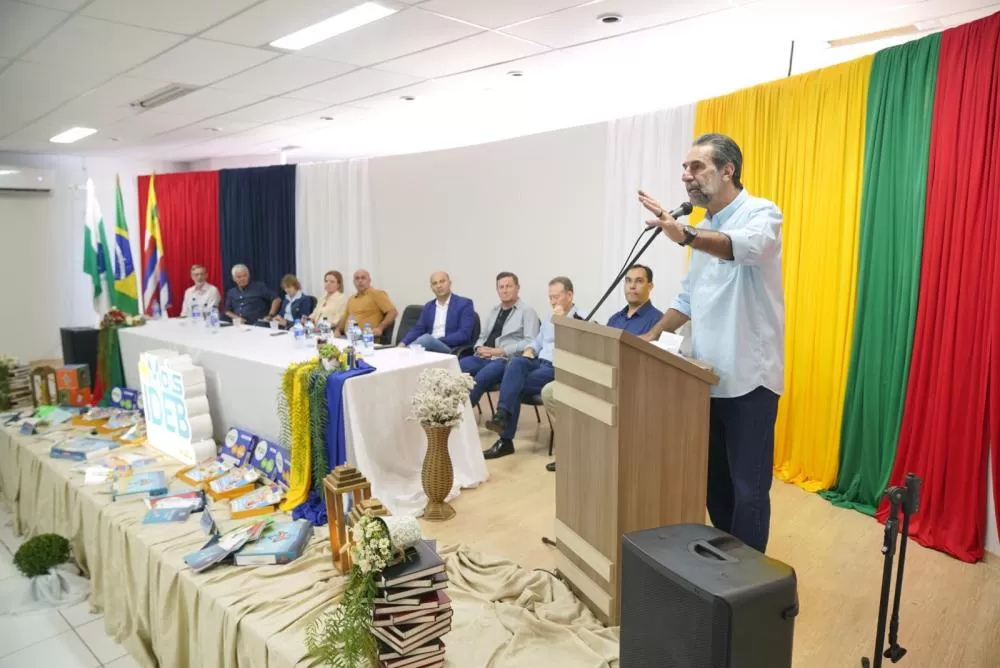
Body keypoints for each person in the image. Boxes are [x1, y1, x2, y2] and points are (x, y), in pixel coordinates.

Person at [638, 133, 784, 554]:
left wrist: (683, 233)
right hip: (703, 379)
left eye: (696, 167)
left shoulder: (762, 213)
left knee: (748, 492)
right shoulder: (702, 229)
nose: (686, 176)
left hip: (749, 382)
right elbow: (687, 299)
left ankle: (748, 583)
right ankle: (725, 566)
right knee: (715, 488)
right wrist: (645, 338)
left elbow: (745, 248)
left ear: (727, 170)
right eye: (684, 169)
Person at [542, 264, 663, 471]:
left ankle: (594, 452)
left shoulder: (658, 320)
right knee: (551, 391)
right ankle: (574, 448)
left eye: (639, 281)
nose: (632, 286)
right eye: (628, 281)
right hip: (602, 375)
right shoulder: (615, 319)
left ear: (650, 286)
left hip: (630, 383)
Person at [482, 277, 578, 460]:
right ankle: (502, 416)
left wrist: (562, 321)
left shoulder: (582, 317)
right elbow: (538, 340)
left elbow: (575, 347)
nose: (552, 301)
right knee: (515, 363)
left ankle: (504, 437)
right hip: (539, 362)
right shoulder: (550, 317)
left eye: (556, 297)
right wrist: (530, 349)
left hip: (558, 367)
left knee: (512, 386)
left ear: (570, 295)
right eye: (550, 297)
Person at [459, 272, 540, 443]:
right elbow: (482, 335)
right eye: (501, 287)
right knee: (457, 368)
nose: (505, 290)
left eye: (509, 286)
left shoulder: (527, 311)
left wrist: (499, 351)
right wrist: (479, 347)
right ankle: (446, 415)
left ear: (517, 288)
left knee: (481, 378)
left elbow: (530, 342)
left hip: (507, 360)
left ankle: (459, 421)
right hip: (484, 356)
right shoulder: (494, 310)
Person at [399, 271, 476, 353]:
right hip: (428, 348)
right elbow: (418, 329)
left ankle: (406, 352)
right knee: (416, 346)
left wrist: (436, 341)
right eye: (435, 283)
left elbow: (464, 334)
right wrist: (403, 343)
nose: (439, 286)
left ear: (449, 283)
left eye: (442, 281)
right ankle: (403, 351)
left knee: (426, 339)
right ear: (431, 287)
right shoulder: (429, 306)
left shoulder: (464, 304)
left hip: (450, 348)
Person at [335, 269, 398, 340]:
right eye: (357, 278)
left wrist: (380, 328)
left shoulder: (377, 294)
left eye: (363, 278)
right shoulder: (351, 299)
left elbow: (393, 312)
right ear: (353, 282)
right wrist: (337, 330)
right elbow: (344, 318)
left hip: (366, 339)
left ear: (369, 280)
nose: (360, 281)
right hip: (347, 338)